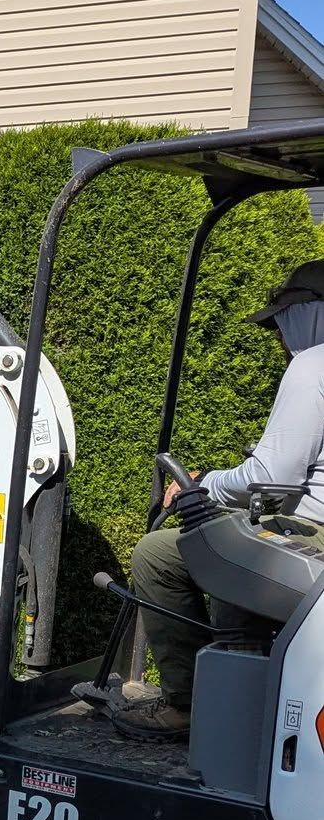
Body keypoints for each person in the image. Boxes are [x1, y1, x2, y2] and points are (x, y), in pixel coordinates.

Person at [123, 260, 324, 736]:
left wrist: (201, 484)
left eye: (280, 324)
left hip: (315, 541)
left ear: (308, 313)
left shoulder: (313, 365)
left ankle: (191, 706)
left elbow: (273, 478)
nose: (278, 339)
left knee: (158, 554)